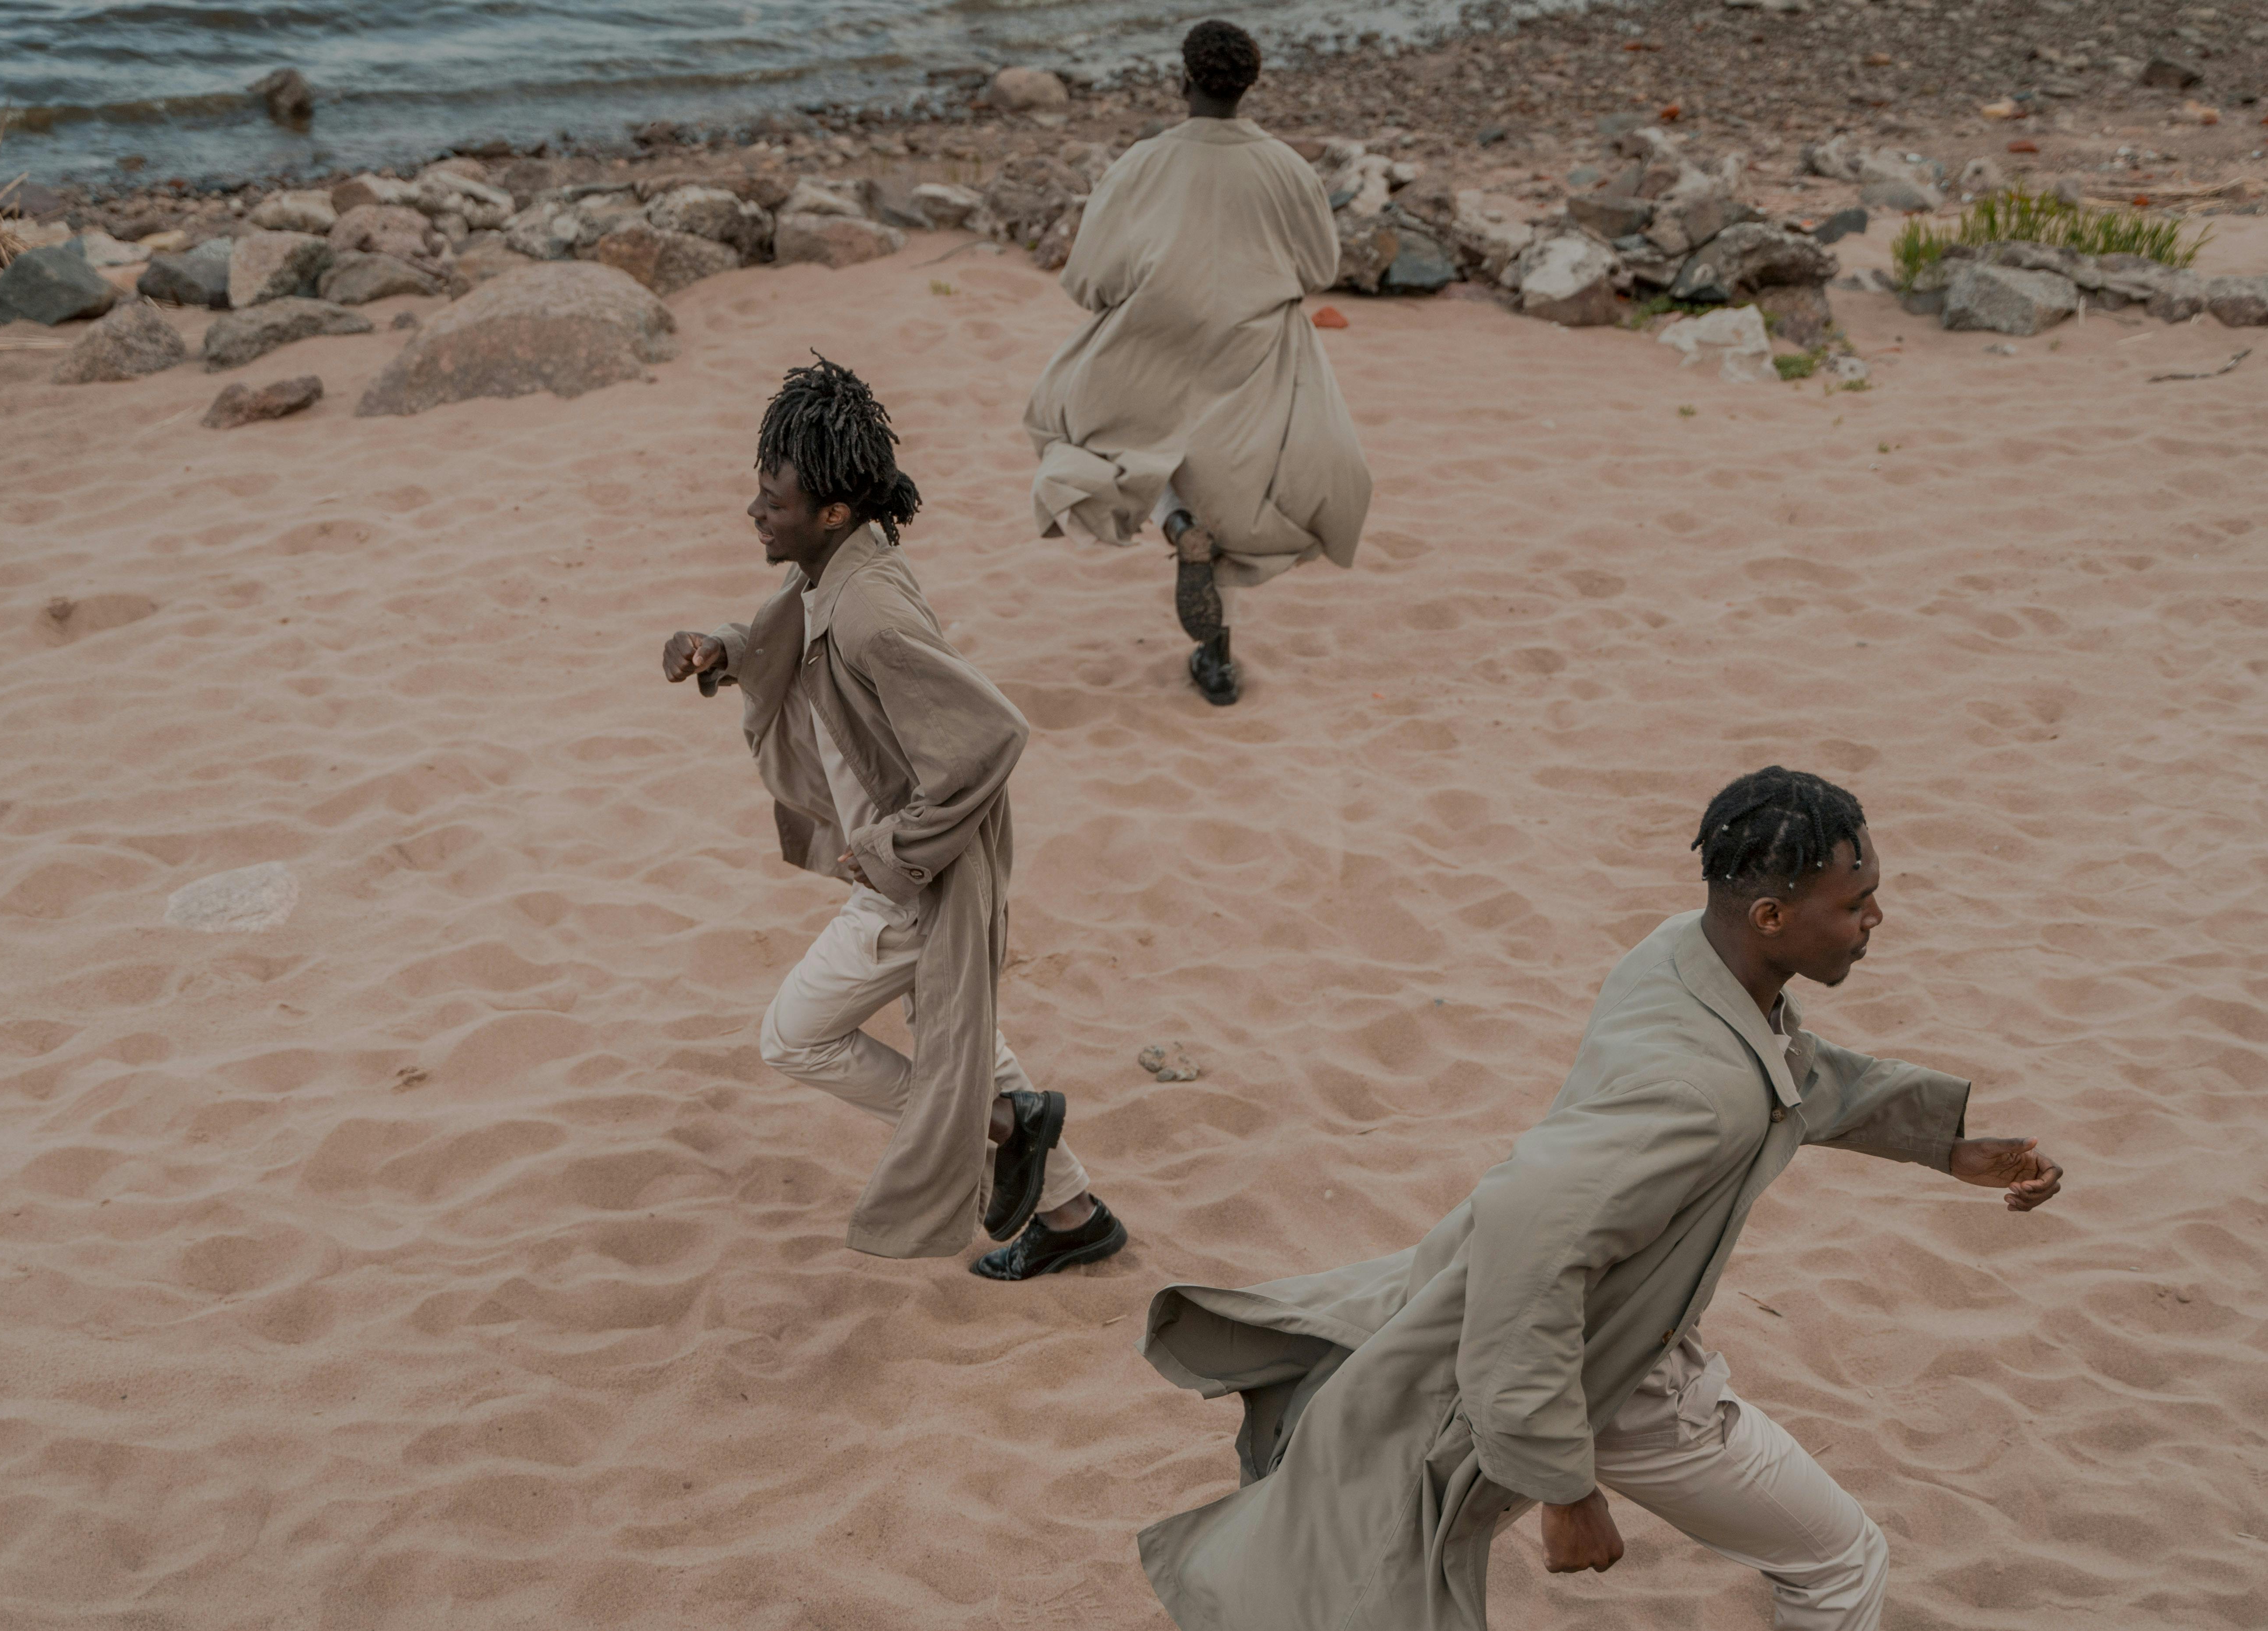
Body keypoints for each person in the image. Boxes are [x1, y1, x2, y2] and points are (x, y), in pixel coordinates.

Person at [1131, 767, 2063, 1629]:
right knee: (1840, 1561)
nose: (1874, 920)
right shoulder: (1697, 1098)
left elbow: (1791, 1070)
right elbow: (1526, 1254)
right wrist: (1561, 1486)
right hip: (1611, 1379)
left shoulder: (1684, 956)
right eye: (1854, 904)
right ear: (1773, 916)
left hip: (1585, 1336)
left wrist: (1943, 1146)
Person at [662, 356, 1127, 1280]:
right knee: (965, 1035)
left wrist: (886, 850)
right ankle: (1072, 1214)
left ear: (833, 511)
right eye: (759, 490)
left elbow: (992, 734)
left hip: (915, 874)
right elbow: (787, 620)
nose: (757, 512)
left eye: (775, 500)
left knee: (794, 1037)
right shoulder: (839, 567)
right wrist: (725, 644)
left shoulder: (872, 610)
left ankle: (1000, 1127)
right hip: (915, 862)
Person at [1022, 18, 1371, 708]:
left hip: (1156, 340)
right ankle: (1218, 661)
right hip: (1252, 347)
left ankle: (1177, 526)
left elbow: (1090, 279)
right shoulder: (1286, 168)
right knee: (1232, 480)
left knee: (1098, 430)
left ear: (1181, 81)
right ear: (1250, 86)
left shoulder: (1142, 164)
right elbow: (1320, 266)